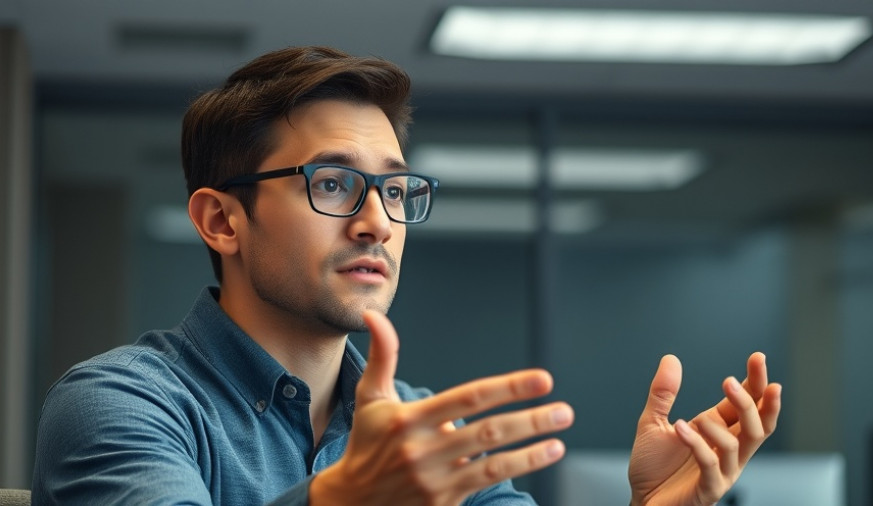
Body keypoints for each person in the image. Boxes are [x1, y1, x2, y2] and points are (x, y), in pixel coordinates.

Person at [31, 46, 782, 505]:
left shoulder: (430, 430)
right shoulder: (118, 404)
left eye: (395, 189)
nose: (378, 221)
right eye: (332, 184)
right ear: (223, 221)